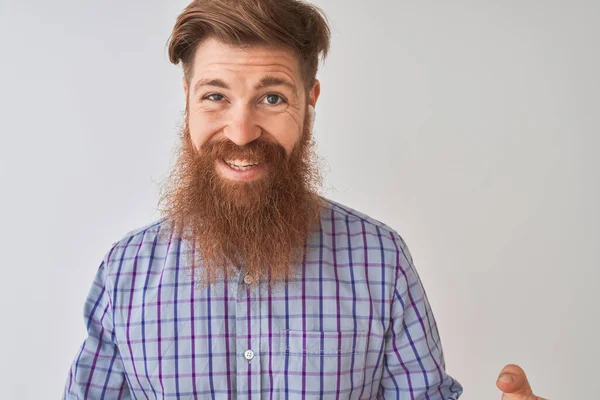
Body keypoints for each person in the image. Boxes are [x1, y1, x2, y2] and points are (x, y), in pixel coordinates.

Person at [63, 0, 546, 398]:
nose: (241, 130)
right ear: (187, 97)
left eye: (272, 98)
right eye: (216, 96)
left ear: (309, 99)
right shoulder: (124, 272)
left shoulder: (381, 261)